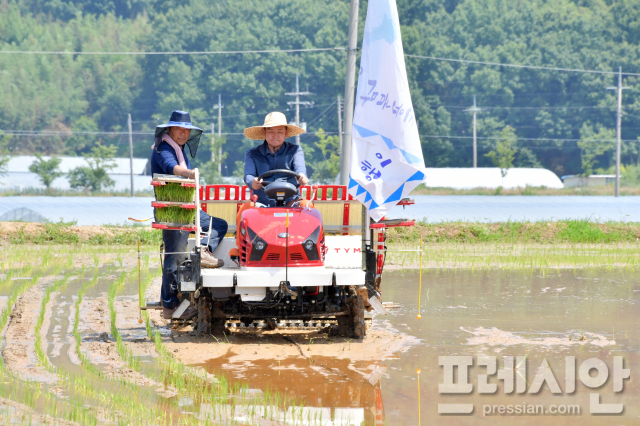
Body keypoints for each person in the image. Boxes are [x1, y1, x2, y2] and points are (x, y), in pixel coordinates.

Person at [151, 110, 228, 320]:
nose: (183, 133)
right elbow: (170, 167)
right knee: (175, 257)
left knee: (218, 225)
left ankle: (204, 249)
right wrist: (188, 173)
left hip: (189, 208)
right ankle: (170, 306)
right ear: (169, 129)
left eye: (186, 130)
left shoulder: (180, 149)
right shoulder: (163, 148)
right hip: (172, 211)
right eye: (179, 129)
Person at [243, 112, 309, 206]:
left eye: (279, 131)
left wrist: (302, 176)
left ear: (286, 133)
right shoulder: (252, 153)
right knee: (247, 208)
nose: (275, 135)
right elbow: (248, 175)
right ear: (264, 132)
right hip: (262, 203)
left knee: (307, 205)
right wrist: (253, 181)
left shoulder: (295, 150)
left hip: (291, 202)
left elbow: (300, 168)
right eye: (271, 131)